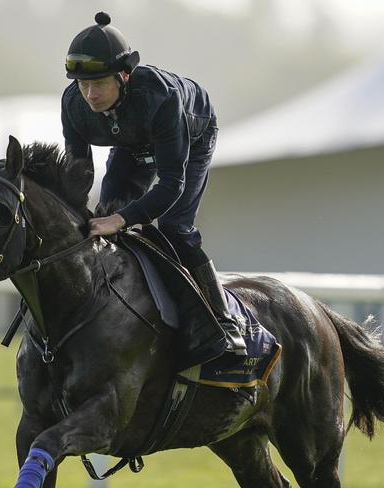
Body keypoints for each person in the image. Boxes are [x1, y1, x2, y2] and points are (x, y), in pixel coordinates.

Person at [61, 12, 246, 355]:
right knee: (104, 219)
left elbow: (172, 184)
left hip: (190, 136)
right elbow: (78, 175)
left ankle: (223, 322)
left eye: (99, 83)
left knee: (174, 227)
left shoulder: (161, 98)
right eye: (83, 85)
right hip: (133, 142)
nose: (90, 94)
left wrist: (123, 218)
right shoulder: (73, 104)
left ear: (124, 75)